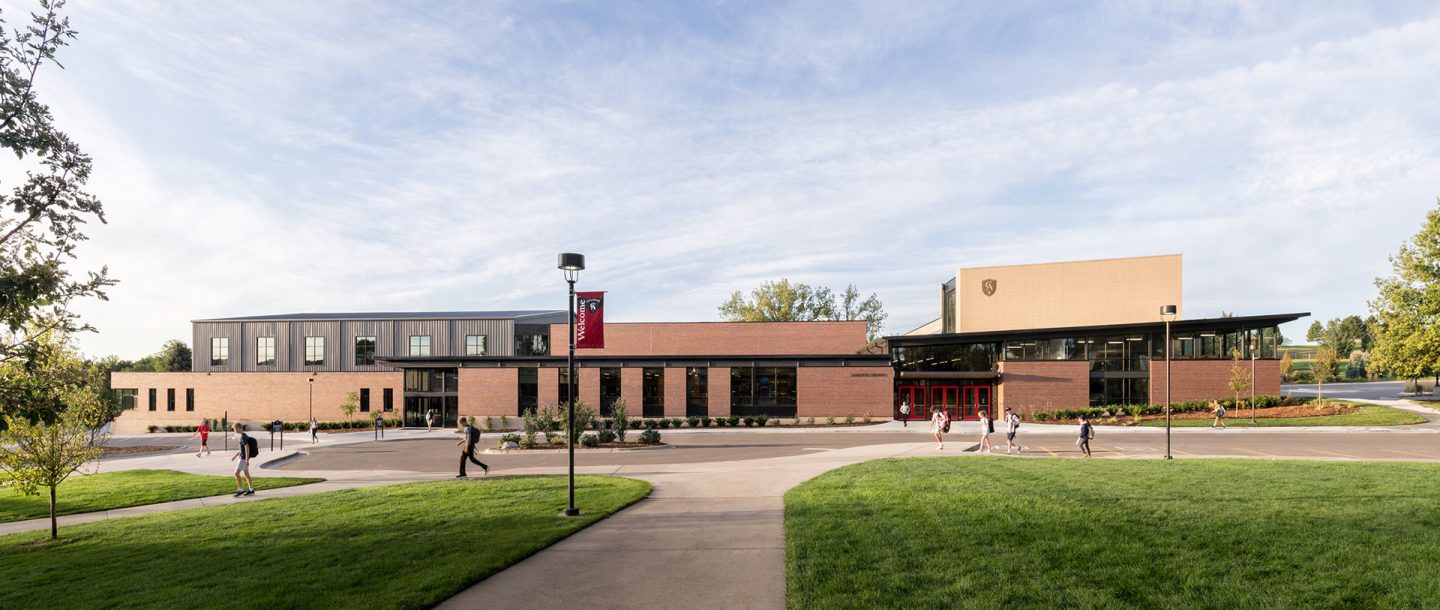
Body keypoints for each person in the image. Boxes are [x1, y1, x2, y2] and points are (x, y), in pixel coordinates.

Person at [230, 423, 255, 497]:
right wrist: (235, 456)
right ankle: (251, 490)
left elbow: (247, 448)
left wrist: (247, 459)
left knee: (236, 473)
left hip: (243, 458)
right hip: (243, 457)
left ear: (239, 428)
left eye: (234, 428)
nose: (234, 430)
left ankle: (240, 489)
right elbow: (242, 449)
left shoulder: (243, 436)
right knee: (246, 474)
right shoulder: (243, 436)